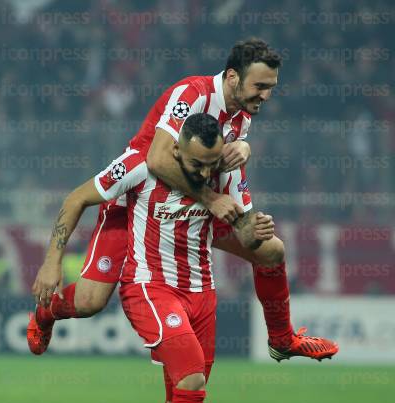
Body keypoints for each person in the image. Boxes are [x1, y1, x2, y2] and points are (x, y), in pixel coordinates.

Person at [31, 113, 275, 403]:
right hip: (150, 287)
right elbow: (76, 198)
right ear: (175, 149)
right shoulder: (141, 166)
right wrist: (52, 262)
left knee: (181, 400)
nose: (203, 173)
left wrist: (258, 229)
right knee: (190, 380)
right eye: (195, 163)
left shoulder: (223, 173)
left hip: (202, 292)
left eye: (209, 164)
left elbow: (246, 235)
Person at [27, 38, 338, 363]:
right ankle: (47, 311)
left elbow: (224, 162)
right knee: (90, 301)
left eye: (271, 87)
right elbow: (158, 160)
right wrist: (212, 198)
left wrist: (245, 153)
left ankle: (282, 340)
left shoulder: (241, 113)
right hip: (137, 204)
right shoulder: (191, 94)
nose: (266, 95)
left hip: (192, 209)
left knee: (271, 250)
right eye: (260, 85)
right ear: (233, 77)